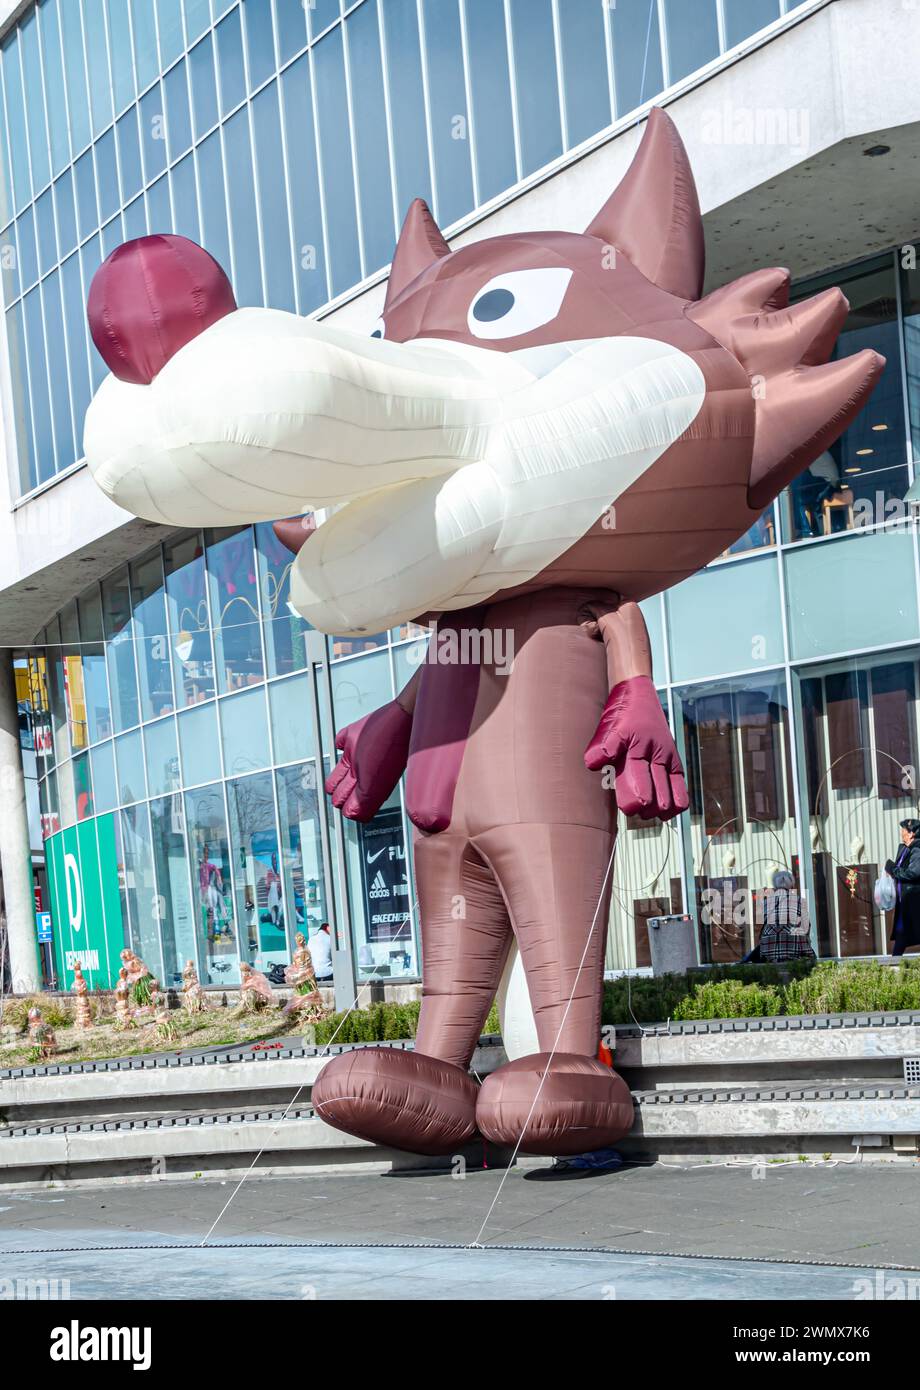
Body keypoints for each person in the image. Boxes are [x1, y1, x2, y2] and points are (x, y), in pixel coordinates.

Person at [754, 868, 815, 963]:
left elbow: (759, 928)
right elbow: (806, 927)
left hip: (768, 952)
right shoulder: (800, 901)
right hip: (792, 951)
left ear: (774, 885)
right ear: (791, 885)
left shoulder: (764, 903)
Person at [885, 819, 920, 956]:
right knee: (902, 934)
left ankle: (894, 962)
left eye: (904, 829)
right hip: (905, 902)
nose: (901, 832)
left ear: (911, 833)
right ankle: (894, 963)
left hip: (914, 901)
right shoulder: (906, 849)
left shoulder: (917, 850)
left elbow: (913, 872)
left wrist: (893, 869)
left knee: (905, 932)